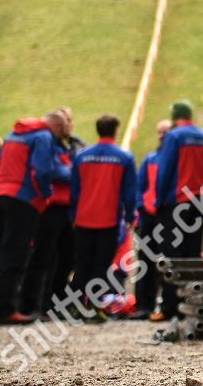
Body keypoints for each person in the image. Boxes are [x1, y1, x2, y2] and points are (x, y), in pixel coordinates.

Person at [0, 110, 69, 324]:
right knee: (16, 254)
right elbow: (43, 171)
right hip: (23, 199)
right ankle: (6, 310)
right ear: (55, 126)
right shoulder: (43, 136)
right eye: (61, 130)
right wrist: (45, 195)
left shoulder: (12, 134)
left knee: (2, 254)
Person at [150, 100, 203, 320]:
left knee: (172, 255)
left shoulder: (174, 137)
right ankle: (191, 305)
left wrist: (159, 201)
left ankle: (170, 307)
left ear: (175, 116)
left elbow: (165, 170)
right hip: (199, 202)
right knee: (193, 253)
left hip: (176, 203)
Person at [69, 114, 136, 323]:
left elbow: (74, 191)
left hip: (83, 219)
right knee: (100, 266)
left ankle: (75, 306)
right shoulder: (123, 158)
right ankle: (95, 307)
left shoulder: (81, 157)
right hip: (108, 220)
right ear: (115, 131)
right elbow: (129, 193)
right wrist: (130, 215)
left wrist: (73, 215)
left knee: (81, 265)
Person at [22, 109, 79, 317]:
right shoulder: (46, 143)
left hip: (66, 210)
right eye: (65, 126)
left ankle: (56, 304)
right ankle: (33, 304)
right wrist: (75, 173)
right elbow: (54, 172)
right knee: (43, 258)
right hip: (50, 208)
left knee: (65, 260)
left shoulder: (66, 147)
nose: (68, 129)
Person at [132, 119, 169, 320]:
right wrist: (141, 207)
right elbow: (140, 186)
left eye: (166, 132)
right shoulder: (150, 159)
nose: (162, 135)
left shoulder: (172, 159)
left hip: (166, 216)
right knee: (144, 261)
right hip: (148, 217)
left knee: (164, 261)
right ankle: (142, 305)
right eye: (160, 132)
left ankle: (161, 304)